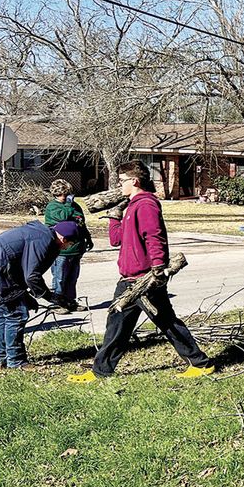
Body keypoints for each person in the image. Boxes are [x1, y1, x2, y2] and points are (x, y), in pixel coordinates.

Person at [68, 161, 214, 383]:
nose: (119, 185)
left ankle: (201, 363)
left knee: (166, 322)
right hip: (128, 279)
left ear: (134, 181)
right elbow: (116, 239)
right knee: (118, 325)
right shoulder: (132, 205)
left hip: (144, 280)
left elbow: (154, 236)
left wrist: (157, 270)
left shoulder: (146, 205)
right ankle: (102, 370)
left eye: (122, 181)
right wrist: (115, 215)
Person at [0, 221, 78, 369]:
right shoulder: (43, 240)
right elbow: (31, 275)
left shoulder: (39, 233)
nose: (68, 247)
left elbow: (21, 267)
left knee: (2, 312)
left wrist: (26, 296)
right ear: (64, 239)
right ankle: (17, 362)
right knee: (16, 314)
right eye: (70, 244)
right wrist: (50, 297)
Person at [44, 178, 93, 311]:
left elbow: (81, 223)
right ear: (55, 194)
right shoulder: (52, 207)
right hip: (60, 251)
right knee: (59, 278)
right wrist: (69, 205)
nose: (64, 197)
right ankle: (58, 303)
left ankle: (71, 302)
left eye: (66, 194)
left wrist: (88, 238)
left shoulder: (75, 206)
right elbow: (63, 217)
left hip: (76, 248)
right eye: (61, 194)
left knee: (72, 278)